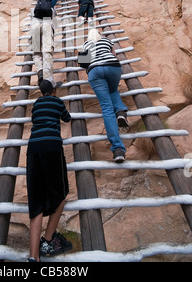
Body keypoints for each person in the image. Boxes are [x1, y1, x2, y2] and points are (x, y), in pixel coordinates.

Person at [26, 80, 73, 262]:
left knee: (36, 201)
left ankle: (33, 257)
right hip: (52, 148)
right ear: (54, 90)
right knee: (61, 193)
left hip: (33, 150)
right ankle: (48, 238)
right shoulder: (58, 102)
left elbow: (34, 120)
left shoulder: (36, 104)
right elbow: (67, 118)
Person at [83, 28, 129, 163]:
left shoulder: (86, 44)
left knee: (106, 108)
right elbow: (114, 54)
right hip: (113, 66)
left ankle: (118, 149)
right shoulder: (107, 40)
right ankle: (120, 111)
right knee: (113, 90)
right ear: (99, 34)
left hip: (95, 70)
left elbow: (83, 63)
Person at [30, 0, 60, 88]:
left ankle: (40, 71)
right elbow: (55, 19)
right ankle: (49, 81)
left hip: (35, 25)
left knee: (36, 53)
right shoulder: (51, 10)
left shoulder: (33, 10)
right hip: (47, 25)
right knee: (47, 52)